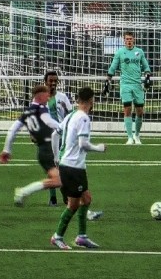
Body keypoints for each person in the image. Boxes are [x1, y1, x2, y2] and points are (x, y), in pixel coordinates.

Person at [50, 86, 106, 250]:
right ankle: (57, 236)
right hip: (73, 168)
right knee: (73, 205)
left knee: (86, 199)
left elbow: (55, 135)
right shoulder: (83, 118)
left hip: (70, 165)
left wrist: (56, 157)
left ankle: (82, 237)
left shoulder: (70, 116)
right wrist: (99, 148)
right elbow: (83, 144)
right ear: (91, 101)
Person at [0, 82, 62, 206]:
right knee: (59, 180)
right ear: (39, 97)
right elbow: (48, 121)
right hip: (48, 149)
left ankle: (74, 203)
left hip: (43, 150)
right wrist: (64, 127)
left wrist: (7, 150)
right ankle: (23, 191)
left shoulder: (26, 112)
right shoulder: (41, 108)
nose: (48, 98)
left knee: (65, 178)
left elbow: (12, 130)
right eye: (46, 96)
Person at [105, 31, 151, 145]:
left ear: (133, 39)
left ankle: (137, 135)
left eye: (130, 39)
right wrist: (108, 80)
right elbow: (113, 66)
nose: (129, 41)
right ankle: (130, 137)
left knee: (140, 111)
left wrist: (148, 76)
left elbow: (146, 66)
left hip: (137, 84)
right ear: (124, 40)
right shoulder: (120, 53)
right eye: (127, 39)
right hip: (125, 84)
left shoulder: (139, 52)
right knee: (127, 109)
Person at [44, 70, 73, 205]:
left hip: (62, 137)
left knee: (63, 167)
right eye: (51, 81)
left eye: (55, 81)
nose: (53, 83)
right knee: (51, 167)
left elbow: (71, 114)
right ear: (46, 82)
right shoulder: (40, 99)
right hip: (46, 137)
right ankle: (52, 197)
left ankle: (65, 196)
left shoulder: (63, 97)